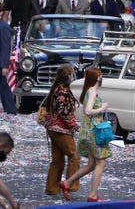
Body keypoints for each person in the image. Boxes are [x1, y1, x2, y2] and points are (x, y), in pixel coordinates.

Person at [60, 68, 111, 202]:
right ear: (96, 78)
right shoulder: (92, 92)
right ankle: (93, 194)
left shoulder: (89, 91)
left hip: (88, 131)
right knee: (101, 162)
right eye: (100, 75)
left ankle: (67, 183)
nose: (102, 77)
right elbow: (88, 111)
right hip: (95, 132)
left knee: (91, 164)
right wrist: (102, 108)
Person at [44, 64, 80, 196]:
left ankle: (52, 188)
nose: (72, 76)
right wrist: (73, 125)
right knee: (74, 156)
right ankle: (70, 184)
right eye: (71, 73)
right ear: (68, 75)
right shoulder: (62, 91)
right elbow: (63, 112)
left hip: (52, 128)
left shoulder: (56, 89)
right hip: (61, 129)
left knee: (57, 159)